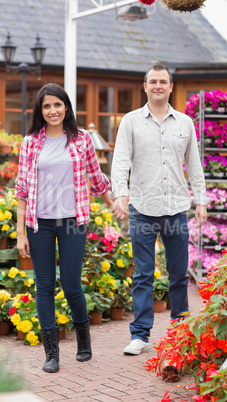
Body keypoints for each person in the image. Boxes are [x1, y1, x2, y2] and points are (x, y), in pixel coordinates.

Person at [15, 83, 126, 373]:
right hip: (39, 223)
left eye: (57, 105)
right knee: (44, 286)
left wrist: (112, 203)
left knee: (72, 284)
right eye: (46, 106)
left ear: (66, 107)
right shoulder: (30, 143)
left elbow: (96, 176)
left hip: (73, 221)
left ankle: (83, 338)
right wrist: (21, 232)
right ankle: (51, 353)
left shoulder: (82, 139)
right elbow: (22, 189)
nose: (53, 110)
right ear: (41, 111)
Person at [111, 63, 208, 355]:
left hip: (177, 209)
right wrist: (121, 195)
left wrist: (201, 200)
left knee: (179, 275)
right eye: (152, 81)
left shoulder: (185, 123)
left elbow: (194, 165)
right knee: (143, 275)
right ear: (145, 87)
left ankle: (180, 333)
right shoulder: (130, 121)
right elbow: (120, 161)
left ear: (170, 87)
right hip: (142, 207)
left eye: (163, 82)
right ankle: (140, 335)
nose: (157, 86)